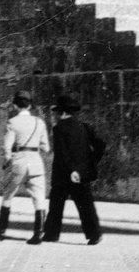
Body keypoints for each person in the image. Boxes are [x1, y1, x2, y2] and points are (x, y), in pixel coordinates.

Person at [41, 95, 104, 245]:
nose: (56, 116)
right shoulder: (85, 127)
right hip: (81, 174)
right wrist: (89, 164)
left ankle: (51, 234)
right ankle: (94, 234)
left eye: (57, 113)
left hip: (63, 174)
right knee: (86, 205)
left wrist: (71, 170)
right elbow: (101, 145)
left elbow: (62, 153)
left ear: (62, 113)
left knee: (56, 205)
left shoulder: (58, 129)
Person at [0, 90, 50, 244]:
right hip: (36, 163)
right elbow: (46, 148)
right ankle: (38, 233)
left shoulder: (12, 122)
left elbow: (7, 147)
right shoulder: (40, 122)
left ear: (15, 105)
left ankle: (0, 230)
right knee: (39, 198)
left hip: (19, 162)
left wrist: (7, 160)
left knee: (8, 195)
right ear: (30, 105)